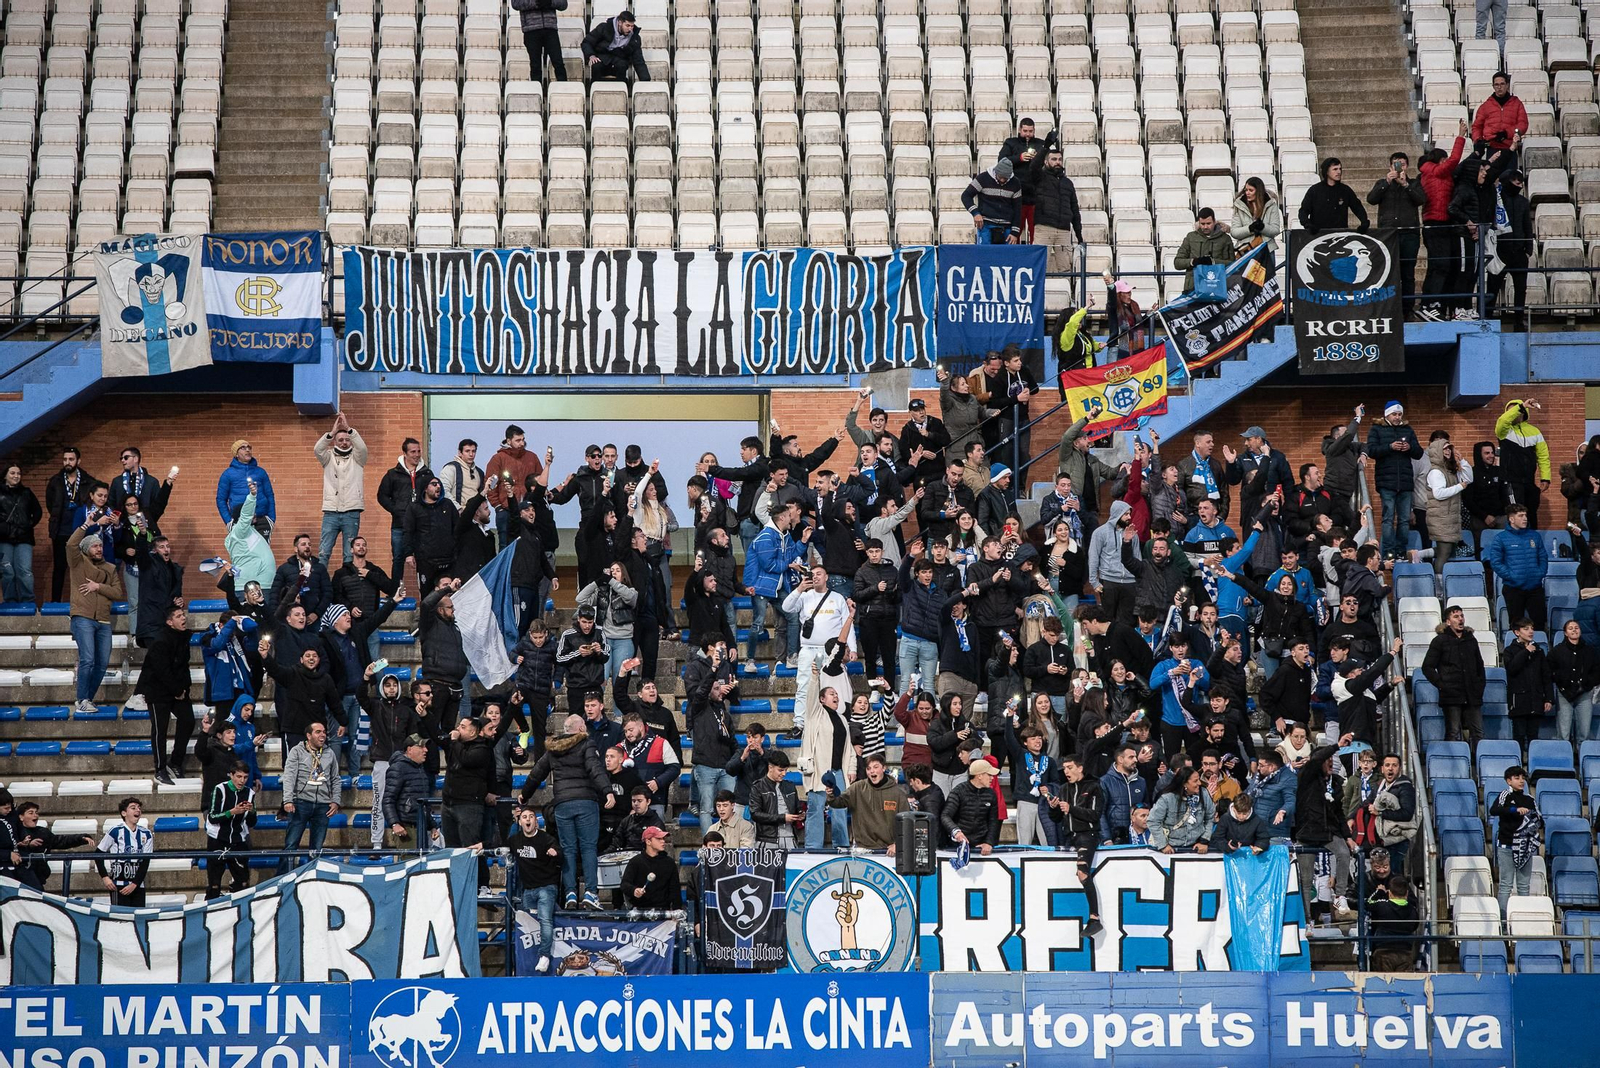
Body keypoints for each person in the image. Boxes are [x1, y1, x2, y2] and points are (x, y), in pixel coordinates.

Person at [519, 713, 614, 910]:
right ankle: (590, 892)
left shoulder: (553, 749)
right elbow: (595, 769)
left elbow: (537, 772)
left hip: (562, 804)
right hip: (586, 802)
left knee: (568, 850)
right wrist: (607, 791)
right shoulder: (586, 744)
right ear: (580, 729)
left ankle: (570, 893)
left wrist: (524, 795)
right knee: (588, 848)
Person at [136, 602, 196, 784]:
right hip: (157, 691)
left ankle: (175, 762)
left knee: (188, 720)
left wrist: (184, 689)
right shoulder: (161, 641)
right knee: (159, 730)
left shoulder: (183, 638)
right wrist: (177, 690)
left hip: (177, 689)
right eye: (178, 616)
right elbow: (161, 670)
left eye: (183, 614)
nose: (183, 618)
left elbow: (183, 667)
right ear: (169, 622)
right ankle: (160, 769)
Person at [1419, 121, 1469, 321]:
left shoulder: (1435, 173)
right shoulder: (1434, 171)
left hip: (1441, 224)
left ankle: (1430, 305)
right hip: (1436, 224)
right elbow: (1455, 159)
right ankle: (1432, 305)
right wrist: (1461, 137)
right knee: (1441, 266)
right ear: (1439, 160)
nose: (1447, 163)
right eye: (1445, 160)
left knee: (1438, 266)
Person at [68, 531, 123, 714]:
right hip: (83, 617)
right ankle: (82, 699)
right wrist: (86, 525)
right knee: (88, 660)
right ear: (86, 549)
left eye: (100, 545)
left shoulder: (110, 567)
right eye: (94, 545)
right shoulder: (77, 562)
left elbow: (117, 593)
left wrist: (98, 586)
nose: (99, 548)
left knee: (102, 663)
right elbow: (70, 545)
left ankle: (87, 699)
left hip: (104, 621)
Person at [277, 720, 341, 875]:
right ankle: (283, 879)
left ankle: (312, 879)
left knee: (317, 848)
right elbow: (290, 776)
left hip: (322, 805)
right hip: (301, 802)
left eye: (324, 732)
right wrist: (288, 800)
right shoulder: (296, 751)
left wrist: (336, 801)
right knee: (291, 844)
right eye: (318, 732)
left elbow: (335, 778)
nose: (323, 735)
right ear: (308, 735)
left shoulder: (329, 753)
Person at [1366, 153, 1427, 309]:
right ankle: (1388, 307)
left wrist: (1406, 185)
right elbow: (1371, 199)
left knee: (1408, 273)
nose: (1399, 168)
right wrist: (1387, 181)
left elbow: (1421, 200)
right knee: (1388, 271)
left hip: (1409, 233)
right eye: (1395, 165)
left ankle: (1407, 308)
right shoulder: (1382, 183)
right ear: (1390, 167)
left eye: (1402, 164)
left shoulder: (1414, 183)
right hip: (1388, 234)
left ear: (1407, 166)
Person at [800, 684, 856, 849]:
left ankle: (842, 847)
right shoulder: (814, 714)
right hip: (820, 772)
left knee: (839, 811)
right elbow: (811, 696)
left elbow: (849, 748)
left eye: (837, 694)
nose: (836, 696)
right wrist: (814, 677)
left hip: (838, 772)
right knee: (816, 810)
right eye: (832, 693)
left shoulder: (843, 719)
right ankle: (812, 848)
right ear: (822, 699)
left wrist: (851, 768)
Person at [508, 805, 562, 973]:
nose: (528, 819)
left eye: (531, 816)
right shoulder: (515, 839)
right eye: (525, 817)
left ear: (536, 821)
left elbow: (560, 852)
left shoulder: (546, 838)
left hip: (546, 887)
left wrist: (555, 852)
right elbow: (498, 843)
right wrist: (481, 845)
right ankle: (530, 956)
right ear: (520, 821)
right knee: (527, 922)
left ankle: (544, 955)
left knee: (545, 919)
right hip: (528, 890)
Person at [1365, 402, 1422, 562]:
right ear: (1387, 415)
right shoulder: (1376, 429)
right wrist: (1390, 447)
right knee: (1388, 518)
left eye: (1399, 414)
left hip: (1405, 482)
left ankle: (1400, 552)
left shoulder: (1408, 430)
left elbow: (1419, 452)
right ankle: (1389, 552)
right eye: (1394, 414)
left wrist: (1409, 447)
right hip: (1386, 482)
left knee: (1404, 520)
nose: (1397, 417)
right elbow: (1371, 450)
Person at [313, 412, 367, 568]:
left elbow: (362, 448)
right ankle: (320, 583)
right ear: (335, 442)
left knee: (349, 554)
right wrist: (331, 433)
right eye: (340, 440)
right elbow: (317, 449)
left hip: (352, 512)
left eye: (347, 440)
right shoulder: (328, 457)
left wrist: (349, 429)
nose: (344, 443)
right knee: (324, 552)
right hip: (331, 512)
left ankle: (347, 587)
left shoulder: (358, 458)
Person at [1484, 503, 1549, 630]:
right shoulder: (1501, 538)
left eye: (1525, 515)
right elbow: (1496, 562)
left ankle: (1540, 648)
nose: (1525, 518)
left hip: (1535, 588)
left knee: (1539, 624)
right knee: (1516, 625)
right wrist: (1511, 576)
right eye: (1520, 516)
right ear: (1511, 519)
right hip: (1513, 588)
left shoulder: (1535, 536)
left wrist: (1539, 573)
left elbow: (1543, 557)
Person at [827, 755, 909, 851]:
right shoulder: (857, 788)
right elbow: (837, 802)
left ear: (884, 768)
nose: (872, 771)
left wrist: (898, 844)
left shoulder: (898, 793)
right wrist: (831, 794)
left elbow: (907, 823)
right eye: (868, 768)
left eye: (875, 767)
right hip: (863, 850)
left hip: (888, 851)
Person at [1488, 765, 1541, 911]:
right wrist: (1515, 810)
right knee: (1506, 885)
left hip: (1525, 848)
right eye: (1517, 778)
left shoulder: (1530, 799)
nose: (1521, 781)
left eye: (1523, 778)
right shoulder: (1505, 795)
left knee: (1524, 886)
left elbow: (1540, 820)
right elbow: (1494, 810)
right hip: (1507, 846)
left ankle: (1522, 919)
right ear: (1508, 781)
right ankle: (1504, 922)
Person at [377, 437, 432, 575]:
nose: (417, 455)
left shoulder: (427, 474)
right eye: (413, 452)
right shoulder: (393, 474)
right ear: (405, 454)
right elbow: (382, 496)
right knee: (398, 559)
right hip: (399, 524)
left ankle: (426, 594)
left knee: (424, 559)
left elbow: (433, 496)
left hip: (421, 525)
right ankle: (396, 593)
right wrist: (396, 510)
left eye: (419, 451)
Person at [46, 447, 94, 602]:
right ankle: (55, 603)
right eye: (65, 459)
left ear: (78, 461)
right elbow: (50, 504)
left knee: (83, 568)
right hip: (60, 531)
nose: (67, 462)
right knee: (59, 568)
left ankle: (84, 603)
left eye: (71, 459)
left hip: (81, 531)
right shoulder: (55, 481)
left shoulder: (88, 481)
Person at [486, 425, 546, 546]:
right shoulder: (498, 458)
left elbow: (540, 480)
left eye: (523, 439)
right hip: (506, 510)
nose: (522, 443)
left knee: (530, 545)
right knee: (505, 546)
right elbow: (491, 484)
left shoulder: (532, 457)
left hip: (528, 508)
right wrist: (498, 506)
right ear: (508, 441)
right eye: (518, 440)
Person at [204, 760, 255, 899]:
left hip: (238, 840)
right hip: (218, 840)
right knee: (214, 884)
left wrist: (251, 811)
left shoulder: (249, 793)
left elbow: (252, 822)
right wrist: (232, 812)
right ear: (231, 775)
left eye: (245, 777)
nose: (242, 780)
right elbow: (213, 816)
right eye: (239, 776)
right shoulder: (219, 789)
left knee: (243, 883)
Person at [1495, 398, 1551, 519]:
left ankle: (1531, 538)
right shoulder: (1504, 431)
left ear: (1524, 413)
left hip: (1529, 482)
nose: (1512, 415)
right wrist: (1521, 406)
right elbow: (1503, 420)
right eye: (1510, 412)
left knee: (1531, 516)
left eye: (1516, 411)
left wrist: (1545, 477)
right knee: (1516, 515)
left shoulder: (1535, 432)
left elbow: (1543, 456)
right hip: (1511, 482)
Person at [1504, 619, 1553, 752]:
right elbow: (1512, 668)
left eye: (1531, 628)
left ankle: (1532, 765)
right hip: (1519, 701)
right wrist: (1526, 652)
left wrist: (1548, 698)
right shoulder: (1509, 650)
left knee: (1534, 737)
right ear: (1517, 632)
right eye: (1526, 628)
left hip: (1535, 701)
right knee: (1518, 736)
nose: (1531, 631)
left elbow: (1546, 676)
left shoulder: (1539, 651)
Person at [94, 796, 153, 906]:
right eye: (133, 808)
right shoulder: (115, 831)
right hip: (118, 884)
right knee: (120, 919)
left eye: (139, 808)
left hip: (138, 884)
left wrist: (135, 884)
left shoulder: (146, 834)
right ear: (124, 813)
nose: (138, 810)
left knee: (138, 918)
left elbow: (146, 861)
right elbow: (98, 854)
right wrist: (105, 877)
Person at [1549, 617, 1599, 745]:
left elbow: (1597, 671)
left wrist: (1588, 683)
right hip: (1564, 694)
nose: (1574, 630)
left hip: (1585, 694)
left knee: (1584, 731)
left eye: (1576, 628)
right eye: (1570, 628)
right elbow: (1549, 670)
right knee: (1564, 732)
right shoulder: (1557, 651)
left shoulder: (1589, 651)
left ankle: (1583, 759)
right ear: (1565, 633)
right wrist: (1562, 681)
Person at [1488, 168, 1531, 318]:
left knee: (1520, 289)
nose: (1518, 184)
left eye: (1520, 181)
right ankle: (1486, 319)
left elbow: (1528, 226)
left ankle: (1519, 321)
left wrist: (1528, 250)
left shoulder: (1524, 202)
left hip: (1519, 252)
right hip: (1499, 251)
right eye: (1515, 180)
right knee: (1492, 287)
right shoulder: (1496, 199)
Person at [1032, 148, 1082, 272]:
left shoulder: (1068, 183)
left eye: (1059, 159)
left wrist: (1079, 234)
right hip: (1044, 228)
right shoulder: (1040, 177)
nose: (1057, 162)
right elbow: (1033, 167)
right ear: (1046, 162)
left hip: (1064, 230)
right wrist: (1045, 147)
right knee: (1040, 265)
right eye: (1053, 159)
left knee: (1065, 267)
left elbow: (1074, 209)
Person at [1369, 753, 1419, 875]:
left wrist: (1380, 813)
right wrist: (1351, 818)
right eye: (1387, 765)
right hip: (1382, 839)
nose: (1390, 768)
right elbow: (1366, 803)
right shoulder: (1379, 786)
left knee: (1393, 876)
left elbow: (1406, 814)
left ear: (1400, 768)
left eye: (1394, 765)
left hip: (1397, 841)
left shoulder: (1405, 787)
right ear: (1382, 769)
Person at [999, 117, 1048, 239]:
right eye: (1025, 131)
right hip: (1016, 194)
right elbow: (1001, 161)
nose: (1028, 134)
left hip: (1036, 195)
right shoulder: (1010, 143)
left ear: (1034, 130)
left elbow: (1050, 162)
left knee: (1036, 233)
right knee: (1014, 232)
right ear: (1020, 130)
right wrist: (1019, 158)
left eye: (1030, 131)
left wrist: (1039, 158)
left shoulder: (1040, 144)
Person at [1148, 767, 1216, 853]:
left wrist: (1204, 841)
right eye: (1195, 781)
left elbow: (1210, 817)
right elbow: (1153, 821)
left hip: (1195, 847)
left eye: (1198, 779)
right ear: (1184, 784)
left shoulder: (1204, 794)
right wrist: (1163, 845)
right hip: (1171, 848)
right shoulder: (1167, 798)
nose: (1199, 783)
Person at [269, 533, 332, 623]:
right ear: (295, 549)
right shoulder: (285, 568)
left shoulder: (320, 568)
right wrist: (275, 616)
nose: (307, 547)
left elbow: (328, 593)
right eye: (303, 544)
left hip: (313, 618)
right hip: (290, 618)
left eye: (309, 544)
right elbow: (275, 593)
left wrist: (317, 613)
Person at [0, 465, 40, 603]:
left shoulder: (27, 493)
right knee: (7, 572)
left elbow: (38, 512)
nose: (16, 476)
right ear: (5, 475)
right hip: (4, 539)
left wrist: (28, 525)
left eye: (18, 473)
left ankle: (27, 600)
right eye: (12, 473)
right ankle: (10, 600)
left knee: (25, 571)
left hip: (24, 538)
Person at [942, 759, 1001, 854]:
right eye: (989, 775)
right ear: (979, 776)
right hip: (958, 845)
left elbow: (993, 821)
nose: (992, 778)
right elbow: (945, 815)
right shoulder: (958, 792)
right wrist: (956, 832)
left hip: (981, 845)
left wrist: (989, 842)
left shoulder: (991, 794)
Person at [383, 734, 433, 843]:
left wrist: (432, 825)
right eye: (421, 747)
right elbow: (388, 799)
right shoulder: (398, 768)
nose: (426, 750)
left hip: (422, 825)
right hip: (407, 828)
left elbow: (424, 800)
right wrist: (395, 824)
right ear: (409, 749)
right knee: (410, 859)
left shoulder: (421, 768)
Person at [1298, 157, 1369, 233]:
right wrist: (1308, 225)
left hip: (1340, 235)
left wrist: (1364, 222)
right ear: (1327, 171)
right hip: (1319, 236)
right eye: (1335, 169)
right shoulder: (1314, 190)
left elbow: (1357, 207)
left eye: (1340, 169)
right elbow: (1303, 211)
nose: (1339, 172)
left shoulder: (1345, 190)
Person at [215, 439, 276, 527]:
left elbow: (270, 495)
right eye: (243, 448)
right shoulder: (227, 474)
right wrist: (228, 521)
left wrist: (271, 518)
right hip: (239, 521)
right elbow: (221, 499)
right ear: (236, 454)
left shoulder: (261, 472)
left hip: (262, 520)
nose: (247, 450)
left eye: (249, 448)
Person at [1366, 875, 1421, 971]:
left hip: (1383, 952)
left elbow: (1368, 903)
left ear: (1389, 893)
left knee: (1383, 984)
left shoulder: (1382, 906)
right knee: (1403, 983)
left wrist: (1379, 892)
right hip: (1405, 953)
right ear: (1407, 893)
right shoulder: (1413, 911)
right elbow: (1414, 926)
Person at [962, 156, 1023, 244]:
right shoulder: (982, 178)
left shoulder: (1015, 183)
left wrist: (1015, 232)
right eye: (1000, 177)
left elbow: (1017, 209)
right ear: (996, 171)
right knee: (985, 255)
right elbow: (966, 196)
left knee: (1006, 257)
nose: (1002, 180)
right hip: (986, 224)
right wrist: (975, 213)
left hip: (1007, 226)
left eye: (1005, 178)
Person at [1173, 208, 1235, 292]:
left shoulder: (1225, 239)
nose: (1205, 227)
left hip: (1217, 287)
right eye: (1202, 224)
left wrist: (1213, 262)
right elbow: (1177, 263)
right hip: (1193, 288)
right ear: (1198, 222)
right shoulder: (1190, 237)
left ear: (1214, 221)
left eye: (1208, 223)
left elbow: (1233, 265)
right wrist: (1193, 262)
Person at [1472, 73, 1527, 166]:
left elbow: (1523, 124)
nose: (1499, 87)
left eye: (1502, 84)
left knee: (1509, 178)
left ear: (1507, 85)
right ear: (1493, 86)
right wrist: (1478, 140)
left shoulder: (1517, 104)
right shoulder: (1486, 106)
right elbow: (1477, 126)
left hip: (1510, 148)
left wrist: (1506, 133)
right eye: (1496, 85)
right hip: (1492, 148)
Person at [582, 9, 650, 82]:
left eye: (632, 26)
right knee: (596, 65)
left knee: (622, 66)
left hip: (620, 60)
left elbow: (638, 60)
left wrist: (645, 80)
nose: (630, 29)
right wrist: (591, 55)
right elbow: (587, 42)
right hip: (602, 57)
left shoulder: (634, 38)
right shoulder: (604, 28)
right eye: (627, 25)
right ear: (620, 23)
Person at [620, 825, 680, 908]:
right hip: (639, 911)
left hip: (663, 911)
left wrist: (677, 910)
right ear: (648, 841)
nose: (663, 841)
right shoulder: (636, 861)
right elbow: (625, 884)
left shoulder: (669, 863)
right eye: (659, 839)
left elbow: (675, 890)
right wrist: (634, 890)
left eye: (663, 838)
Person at [1231, 177, 1283, 270]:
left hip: (1267, 250)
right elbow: (1234, 232)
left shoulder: (1271, 205)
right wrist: (1250, 228)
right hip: (1246, 251)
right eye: (1246, 190)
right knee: (1246, 284)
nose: (1247, 193)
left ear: (1258, 191)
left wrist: (1262, 227)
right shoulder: (1238, 206)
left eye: (1251, 190)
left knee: (1267, 283)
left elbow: (1275, 230)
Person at [513, 0, 567, 83]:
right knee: (535, 65)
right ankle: (536, 91)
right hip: (531, 30)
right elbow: (516, 4)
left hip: (550, 29)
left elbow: (563, 4)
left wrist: (550, 2)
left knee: (558, 62)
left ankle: (564, 89)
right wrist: (536, 3)